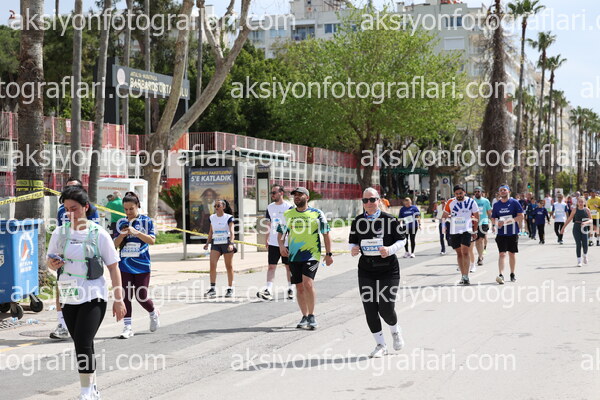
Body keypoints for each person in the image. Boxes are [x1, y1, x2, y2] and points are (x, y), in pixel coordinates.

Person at [47, 185, 125, 400]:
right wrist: (53, 264)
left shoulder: (99, 233)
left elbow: (113, 267)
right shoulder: (60, 232)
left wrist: (119, 299)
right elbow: (50, 261)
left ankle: (85, 392)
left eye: (74, 208)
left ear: (86, 207)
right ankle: (93, 387)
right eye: (66, 209)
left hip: (93, 295)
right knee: (83, 343)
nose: (70, 213)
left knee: (82, 341)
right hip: (69, 294)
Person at [349, 188, 406, 358]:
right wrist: (354, 249)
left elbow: (402, 239)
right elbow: (352, 242)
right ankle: (381, 344)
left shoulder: (389, 220)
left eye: (372, 199)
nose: (369, 203)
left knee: (386, 309)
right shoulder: (358, 221)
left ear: (379, 200)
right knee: (370, 308)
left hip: (388, 270)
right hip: (366, 270)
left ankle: (395, 331)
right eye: (365, 200)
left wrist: (389, 250)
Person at [50, 177, 101, 341]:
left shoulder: (91, 209)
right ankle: (62, 324)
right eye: (67, 188)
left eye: (73, 188)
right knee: (62, 289)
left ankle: (87, 319)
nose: (69, 212)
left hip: (86, 261)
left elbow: (95, 233)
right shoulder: (61, 210)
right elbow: (60, 232)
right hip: (66, 259)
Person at [277, 187, 333, 330]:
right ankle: (304, 315)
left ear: (307, 197)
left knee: (307, 283)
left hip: (312, 254)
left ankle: (312, 315)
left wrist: (329, 254)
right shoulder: (288, 214)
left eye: (300, 194)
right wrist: (281, 246)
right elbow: (281, 233)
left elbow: (326, 233)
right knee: (299, 287)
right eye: (295, 195)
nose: (296, 197)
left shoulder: (317, 213)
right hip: (294, 255)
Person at [113, 192, 159, 339]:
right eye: (126, 209)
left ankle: (153, 312)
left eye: (131, 209)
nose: (128, 212)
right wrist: (122, 235)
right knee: (126, 296)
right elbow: (114, 245)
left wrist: (136, 232)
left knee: (141, 296)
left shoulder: (146, 221)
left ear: (138, 206)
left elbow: (152, 241)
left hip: (142, 264)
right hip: (124, 265)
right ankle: (127, 327)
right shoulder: (120, 222)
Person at [257, 185, 294, 301]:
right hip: (273, 242)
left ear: (281, 193)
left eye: (274, 192)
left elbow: (292, 225)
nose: (272, 195)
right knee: (271, 266)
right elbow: (268, 224)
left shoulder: (289, 207)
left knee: (288, 267)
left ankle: (291, 288)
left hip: (287, 242)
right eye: (271, 193)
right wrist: (266, 238)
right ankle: (268, 290)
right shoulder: (270, 207)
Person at [442, 185, 479, 285]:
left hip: (467, 230)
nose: (459, 195)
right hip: (454, 231)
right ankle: (463, 276)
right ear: (454, 194)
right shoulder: (450, 202)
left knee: (465, 252)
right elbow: (444, 215)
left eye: (460, 193)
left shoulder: (471, 202)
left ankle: (466, 276)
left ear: (464, 192)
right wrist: (443, 226)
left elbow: (476, 216)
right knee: (459, 253)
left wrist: (475, 231)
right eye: (457, 194)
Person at [491, 185, 524, 284]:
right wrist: (496, 223)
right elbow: (493, 217)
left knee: (512, 253)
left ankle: (512, 273)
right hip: (501, 233)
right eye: (501, 190)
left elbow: (521, 216)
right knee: (502, 254)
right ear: (499, 193)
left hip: (512, 232)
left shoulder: (514, 202)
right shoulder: (496, 205)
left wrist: (507, 221)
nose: (502, 191)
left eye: (504, 190)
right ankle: (501, 274)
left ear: (509, 191)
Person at [203, 199, 236, 298]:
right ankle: (212, 288)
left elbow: (232, 232)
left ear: (223, 207)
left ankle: (230, 288)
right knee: (212, 265)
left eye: (218, 206)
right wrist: (207, 243)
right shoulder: (212, 217)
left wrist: (231, 243)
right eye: (215, 206)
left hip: (226, 243)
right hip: (216, 243)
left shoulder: (229, 218)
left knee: (229, 266)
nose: (216, 208)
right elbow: (211, 232)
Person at [561, 196, 593, 267]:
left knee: (585, 244)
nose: (580, 203)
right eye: (579, 202)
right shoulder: (575, 210)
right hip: (576, 228)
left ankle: (585, 255)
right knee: (578, 244)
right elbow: (569, 219)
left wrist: (586, 222)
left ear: (584, 202)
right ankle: (579, 261)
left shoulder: (587, 210)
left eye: (582, 202)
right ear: (577, 203)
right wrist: (563, 228)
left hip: (584, 228)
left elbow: (591, 220)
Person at [473, 187, 492, 267]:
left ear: (481, 192)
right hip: (475, 223)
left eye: (478, 191)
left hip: (483, 222)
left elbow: (489, 212)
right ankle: (480, 255)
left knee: (480, 240)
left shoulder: (486, 201)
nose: (477, 193)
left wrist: (492, 223)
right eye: (475, 192)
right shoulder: (472, 201)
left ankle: (480, 258)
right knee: (477, 241)